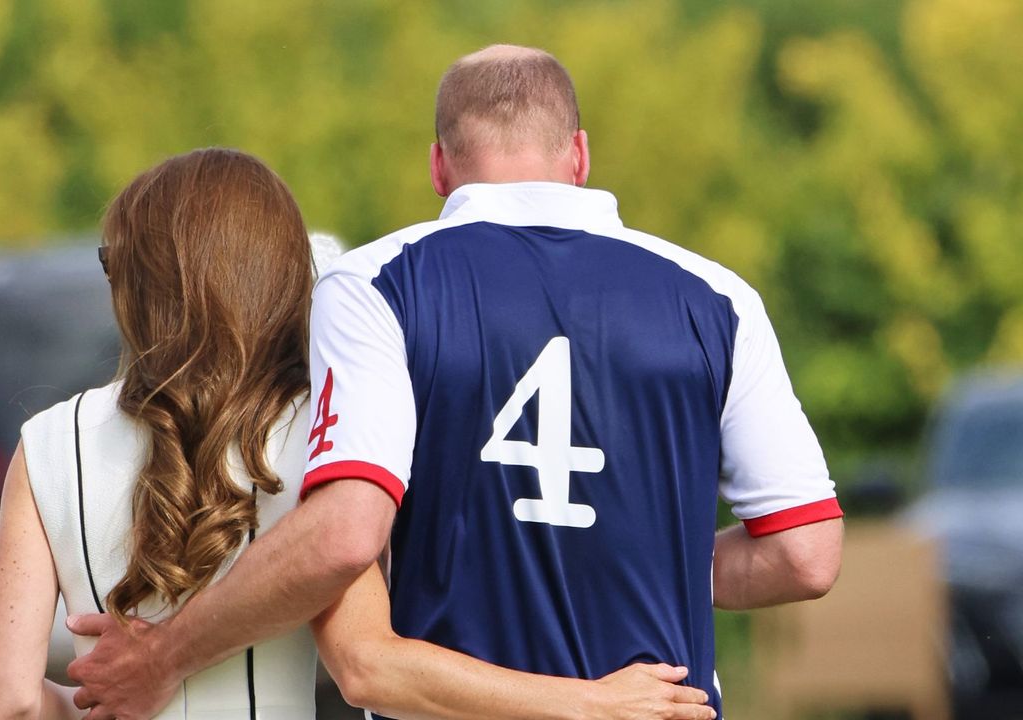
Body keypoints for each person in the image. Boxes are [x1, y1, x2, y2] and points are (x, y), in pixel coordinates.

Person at [66, 46, 843, 720]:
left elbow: (344, 534)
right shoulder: (718, 297)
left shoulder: (377, 283)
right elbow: (807, 554)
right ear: (579, 155)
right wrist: (635, 556)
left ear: (439, 165)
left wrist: (164, 654)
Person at [0, 147, 715, 720]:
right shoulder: (328, 437)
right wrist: (592, 702)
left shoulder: (45, 444)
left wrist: (101, 699)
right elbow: (372, 668)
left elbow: (4, 696)